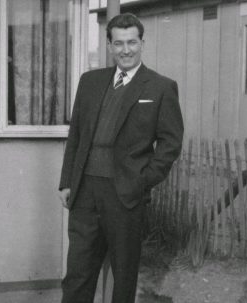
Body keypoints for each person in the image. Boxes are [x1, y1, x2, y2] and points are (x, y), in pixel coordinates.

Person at [58, 13, 184, 303]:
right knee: (78, 273)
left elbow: (170, 144)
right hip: (85, 192)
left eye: (131, 42)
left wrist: (142, 181)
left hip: (125, 194)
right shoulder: (90, 82)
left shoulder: (160, 87)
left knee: (122, 277)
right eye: (118, 43)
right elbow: (76, 135)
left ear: (142, 43)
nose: (125, 50)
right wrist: (67, 182)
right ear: (109, 45)